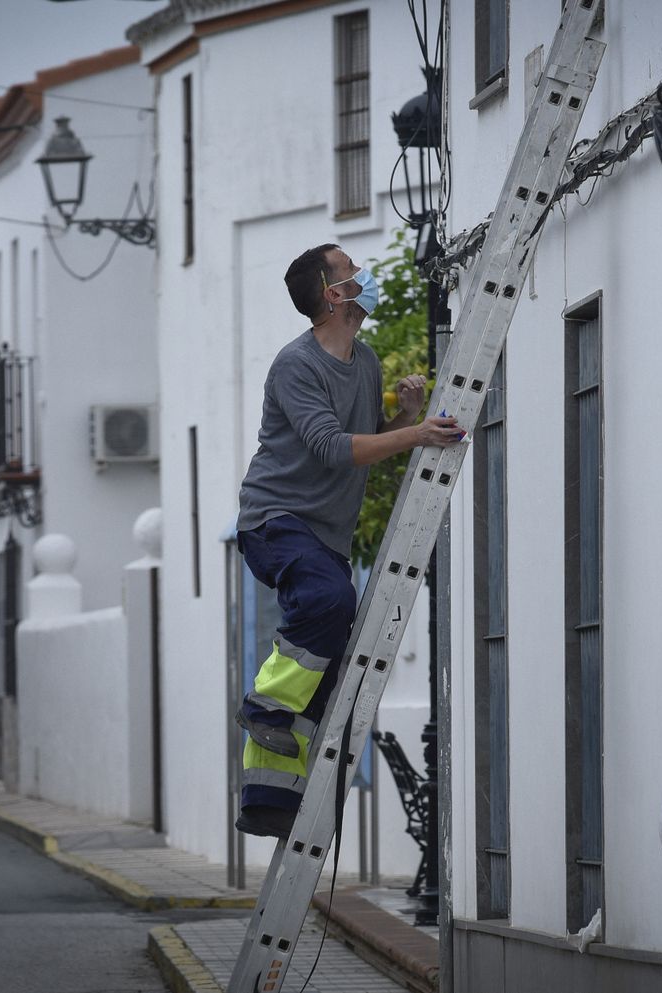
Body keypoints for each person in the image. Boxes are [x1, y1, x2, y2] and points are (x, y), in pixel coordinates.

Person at [233, 243, 462, 839]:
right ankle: (263, 705)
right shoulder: (296, 365)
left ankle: (268, 801)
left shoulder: (366, 361)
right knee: (329, 602)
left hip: (324, 534)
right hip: (275, 520)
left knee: (327, 661)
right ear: (333, 294)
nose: (364, 275)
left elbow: (362, 444)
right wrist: (417, 434)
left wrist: (402, 418)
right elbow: (333, 448)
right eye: (352, 270)